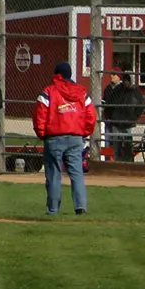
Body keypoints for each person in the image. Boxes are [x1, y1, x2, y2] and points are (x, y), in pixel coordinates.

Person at [33, 59, 94, 217]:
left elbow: (40, 115)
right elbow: (91, 115)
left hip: (54, 138)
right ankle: (80, 206)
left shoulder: (49, 91)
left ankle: (53, 209)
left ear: (57, 74)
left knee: (54, 175)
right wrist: (84, 132)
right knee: (76, 173)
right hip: (75, 138)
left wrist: (42, 134)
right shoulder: (81, 92)